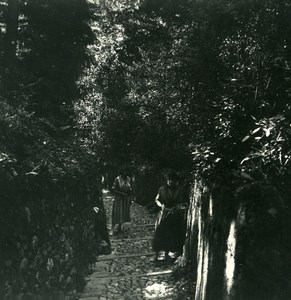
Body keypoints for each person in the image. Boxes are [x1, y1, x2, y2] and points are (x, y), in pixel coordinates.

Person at [152, 171, 188, 262]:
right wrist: (161, 206)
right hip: (164, 214)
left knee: (170, 235)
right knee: (159, 234)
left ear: (176, 181)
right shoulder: (162, 189)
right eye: (168, 180)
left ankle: (167, 254)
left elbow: (183, 202)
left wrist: (179, 207)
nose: (170, 182)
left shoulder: (179, 190)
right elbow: (157, 199)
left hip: (174, 215)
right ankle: (156, 255)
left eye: (172, 180)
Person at [111, 167, 133, 235]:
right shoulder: (117, 179)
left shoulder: (129, 179)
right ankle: (114, 229)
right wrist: (121, 193)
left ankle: (120, 227)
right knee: (118, 212)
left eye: (126, 173)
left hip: (126, 199)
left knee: (124, 213)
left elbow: (130, 187)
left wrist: (130, 192)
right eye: (123, 173)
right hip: (119, 199)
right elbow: (113, 189)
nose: (125, 174)